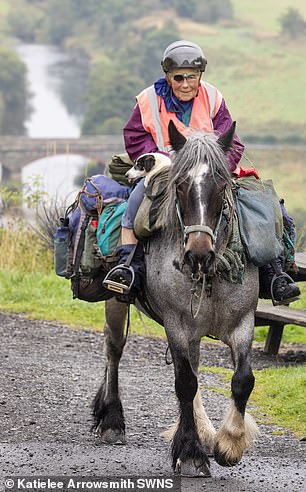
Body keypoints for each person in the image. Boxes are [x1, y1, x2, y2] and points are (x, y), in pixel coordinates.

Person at [103, 40, 300, 305]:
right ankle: (129, 267)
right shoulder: (147, 100)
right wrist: (160, 161)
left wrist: (216, 167)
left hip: (210, 171)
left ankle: (274, 273)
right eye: (179, 78)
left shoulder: (213, 97)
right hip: (165, 171)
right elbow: (135, 137)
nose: (185, 84)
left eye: (191, 77)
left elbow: (232, 141)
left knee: (262, 204)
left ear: (200, 76)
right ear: (168, 76)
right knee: (136, 203)